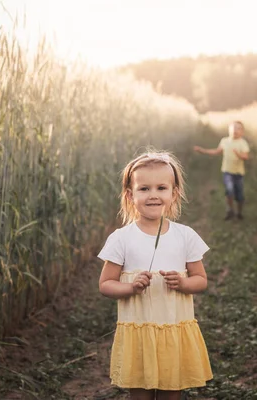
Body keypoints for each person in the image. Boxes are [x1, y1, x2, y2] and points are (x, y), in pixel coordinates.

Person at [97, 150, 213, 400]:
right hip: (139, 333)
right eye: (144, 189)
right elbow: (106, 284)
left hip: (173, 330)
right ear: (130, 195)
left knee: (172, 392)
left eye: (161, 188)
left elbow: (200, 280)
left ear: (174, 194)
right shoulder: (121, 238)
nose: (153, 195)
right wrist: (130, 288)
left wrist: (183, 283)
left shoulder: (185, 236)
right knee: (140, 393)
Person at [193, 121, 250, 220]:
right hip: (227, 172)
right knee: (229, 191)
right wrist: (202, 150)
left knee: (239, 196)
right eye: (233, 128)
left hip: (238, 174)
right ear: (229, 130)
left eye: (238, 128)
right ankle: (230, 210)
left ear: (242, 132)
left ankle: (239, 212)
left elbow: (245, 156)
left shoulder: (242, 143)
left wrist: (238, 154)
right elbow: (216, 151)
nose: (235, 130)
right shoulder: (225, 141)